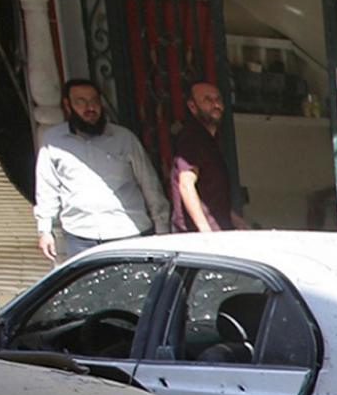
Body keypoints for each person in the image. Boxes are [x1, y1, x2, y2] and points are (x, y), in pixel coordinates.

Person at [33, 79, 164, 261]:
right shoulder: (54, 141)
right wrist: (44, 230)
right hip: (80, 236)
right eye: (81, 102)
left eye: (94, 101)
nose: (90, 108)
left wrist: (161, 226)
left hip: (127, 232)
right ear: (67, 105)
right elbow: (46, 188)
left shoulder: (124, 138)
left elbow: (149, 182)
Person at [168, 80, 244, 233]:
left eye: (218, 99)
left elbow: (212, 193)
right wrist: (205, 231)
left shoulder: (211, 139)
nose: (215, 105)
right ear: (192, 106)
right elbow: (186, 185)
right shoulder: (192, 138)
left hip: (217, 229)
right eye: (207, 100)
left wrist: (239, 222)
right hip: (196, 236)